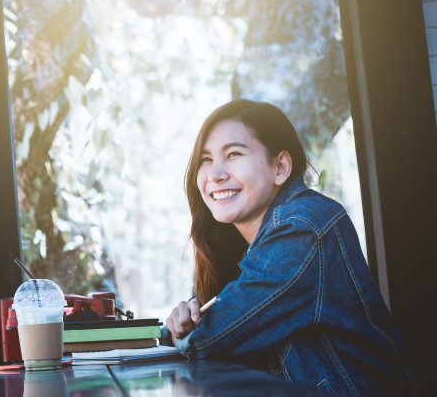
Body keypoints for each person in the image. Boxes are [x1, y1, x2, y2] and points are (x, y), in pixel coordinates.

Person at [165, 99, 416, 396]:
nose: (215, 174)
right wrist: (179, 323)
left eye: (233, 154)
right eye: (205, 160)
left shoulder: (304, 226)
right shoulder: (244, 246)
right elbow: (201, 328)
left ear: (281, 167)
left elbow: (210, 338)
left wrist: (180, 334)